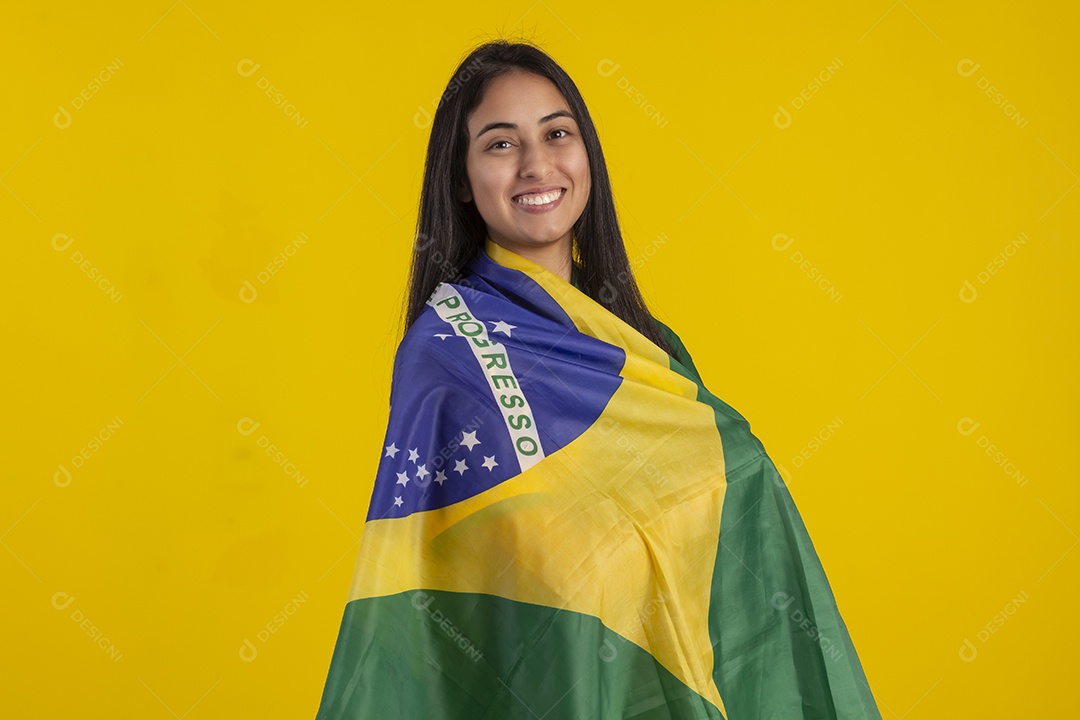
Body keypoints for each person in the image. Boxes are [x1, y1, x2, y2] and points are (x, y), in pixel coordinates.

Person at [316, 39, 882, 720]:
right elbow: (445, 589)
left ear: (587, 156)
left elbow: (739, 533)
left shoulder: (647, 344)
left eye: (558, 134)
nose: (537, 164)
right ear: (462, 178)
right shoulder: (447, 353)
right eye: (500, 144)